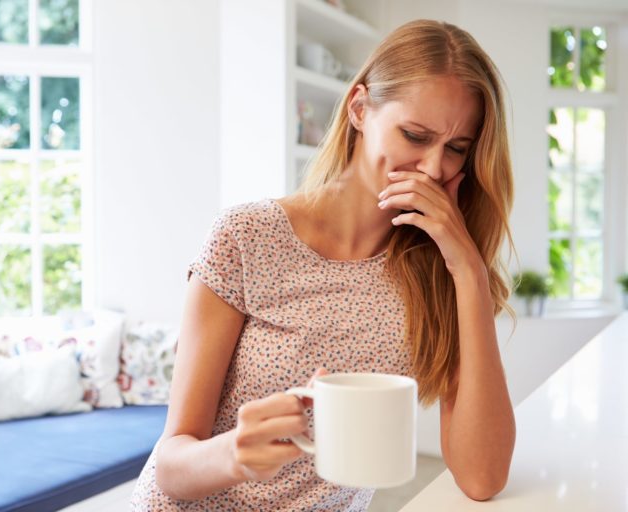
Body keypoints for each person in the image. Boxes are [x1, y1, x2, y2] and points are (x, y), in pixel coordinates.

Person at [131, 19, 516, 511]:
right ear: (359, 109)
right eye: (415, 136)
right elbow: (171, 463)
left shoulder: (440, 274)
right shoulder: (247, 237)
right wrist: (235, 455)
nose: (434, 168)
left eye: (456, 149)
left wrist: (469, 270)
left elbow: (482, 477)